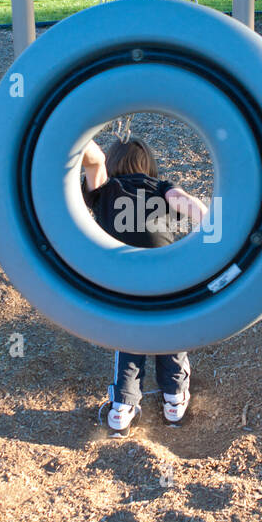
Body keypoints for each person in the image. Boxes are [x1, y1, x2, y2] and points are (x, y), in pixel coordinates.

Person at [80, 137, 209, 436]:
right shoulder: (161, 187)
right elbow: (188, 204)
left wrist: (74, 130)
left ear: (115, 164)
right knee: (169, 331)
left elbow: (94, 160)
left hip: (124, 279)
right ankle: (174, 401)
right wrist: (213, 232)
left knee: (131, 337)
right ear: (148, 164)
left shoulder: (105, 190)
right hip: (167, 275)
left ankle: (121, 410)